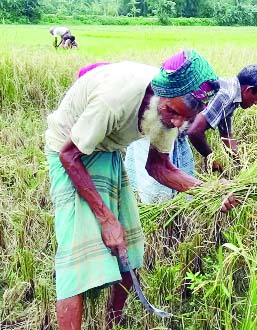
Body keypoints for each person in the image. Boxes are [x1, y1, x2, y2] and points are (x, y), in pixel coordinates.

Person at [44, 49, 238, 330]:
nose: (176, 123)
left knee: (131, 247)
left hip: (107, 150)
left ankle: (113, 323)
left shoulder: (171, 111)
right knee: (78, 255)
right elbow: (69, 156)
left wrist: (210, 192)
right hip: (69, 150)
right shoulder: (114, 100)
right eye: (172, 112)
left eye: (184, 118)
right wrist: (106, 219)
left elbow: (159, 167)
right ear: (158, 91)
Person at [124, 64, 257, 204]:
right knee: (159, 195)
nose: (256, 103)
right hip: (161, 131)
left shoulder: (232, 98)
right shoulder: (225, 94)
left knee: (182, 191)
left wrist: (242, 167)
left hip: (177, 135)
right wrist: (210, 157)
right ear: (248, 90)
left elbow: (227, 135)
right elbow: (194, 131)